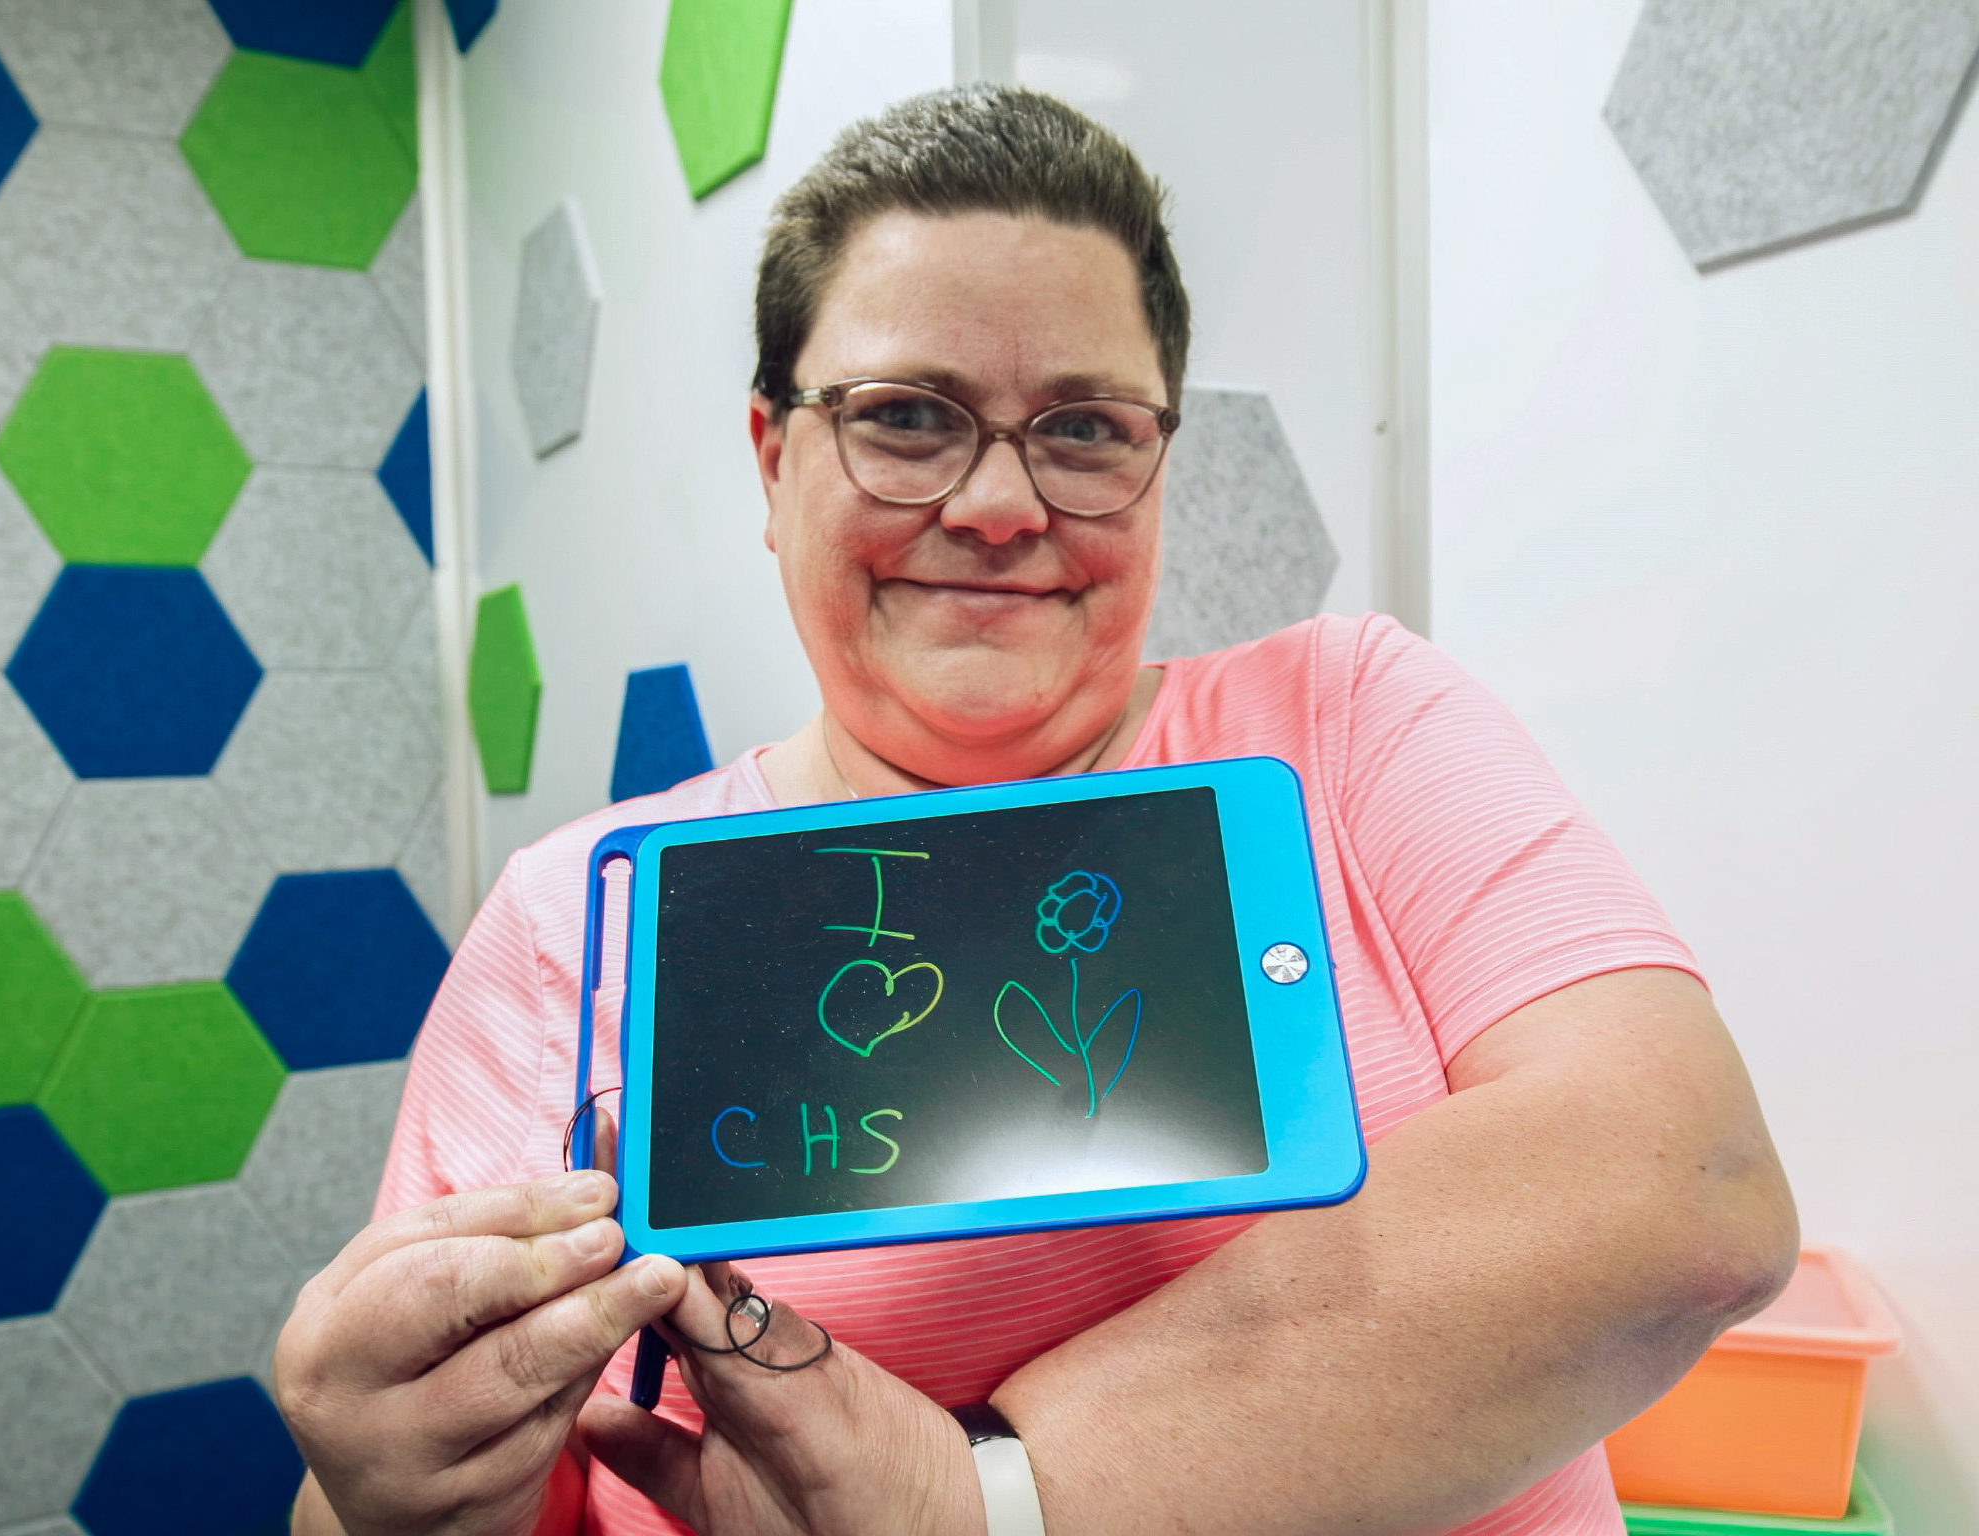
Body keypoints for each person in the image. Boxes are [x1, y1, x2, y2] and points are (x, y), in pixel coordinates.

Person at [275, 86, 1797, 1536]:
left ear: (1157, 464)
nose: (999, 503)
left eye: (1083, 428)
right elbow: (453, 1485)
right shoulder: (575, 917)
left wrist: (981, 1499)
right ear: (772, 455)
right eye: (907, 416)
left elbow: (1687, 1196)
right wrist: (395, 1490)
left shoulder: (1351, 724)